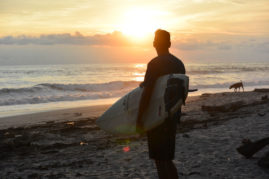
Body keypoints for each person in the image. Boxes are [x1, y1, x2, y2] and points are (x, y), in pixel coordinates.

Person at [136, 29, 186, 179]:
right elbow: (182, 92)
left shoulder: (154, 64)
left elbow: (148, 94)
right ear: (169, 43)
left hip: (156, 117)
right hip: (171, 115)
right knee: (167, 158)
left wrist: (140, 117)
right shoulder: (179, 64)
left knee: (159, 159)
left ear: (154, 43)